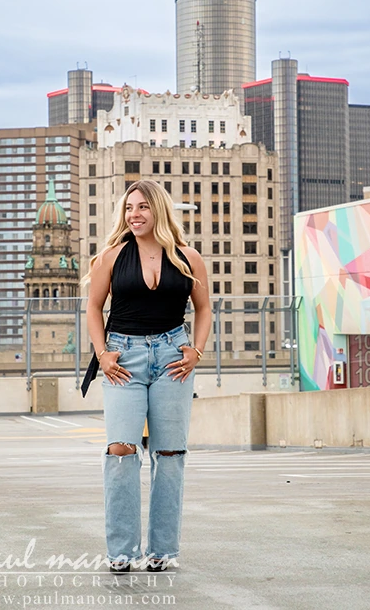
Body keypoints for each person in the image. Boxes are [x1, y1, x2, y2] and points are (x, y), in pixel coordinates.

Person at [82, 179, 211, 573]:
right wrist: (102, 355)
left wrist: (196, 350)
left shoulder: (187, 257)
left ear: (159, 210)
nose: (133, 215)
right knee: (121, 450)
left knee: (169, 453)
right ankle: (121, 551)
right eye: (128, 208)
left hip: (173, 357)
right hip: (125, 359)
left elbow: (204, 309)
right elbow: (92, 308)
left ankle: (162, 550)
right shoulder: (111, 257)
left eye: (142, 207)